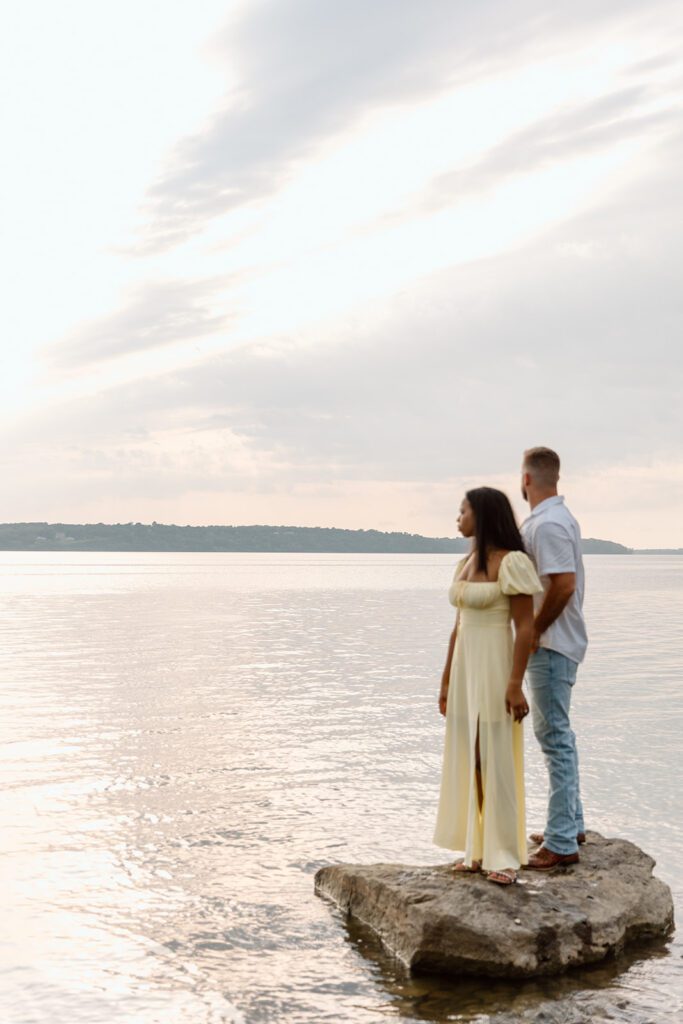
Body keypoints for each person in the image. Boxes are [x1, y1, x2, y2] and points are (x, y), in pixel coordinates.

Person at [433, 487, 541, 885]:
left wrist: (516, 684)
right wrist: (445, 681)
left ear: (481, 514)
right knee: (471, 757)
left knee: (497, 758)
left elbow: (525, 626)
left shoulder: (512, 563)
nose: (457, 518)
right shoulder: (463, 563)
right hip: (465, 669)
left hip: (496, 666)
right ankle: (475, 849)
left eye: (462, 511)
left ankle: (506, 856)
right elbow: (457, 627)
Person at [520, 447, 588, 869]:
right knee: (560, 736)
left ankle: (563, 843)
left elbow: (562, 585)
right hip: (560, 643)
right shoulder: (559, 519)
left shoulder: (547, 525)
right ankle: (571, 823)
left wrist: (534, 631)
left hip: (551, 645)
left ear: (525, 479)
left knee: (554, 739)